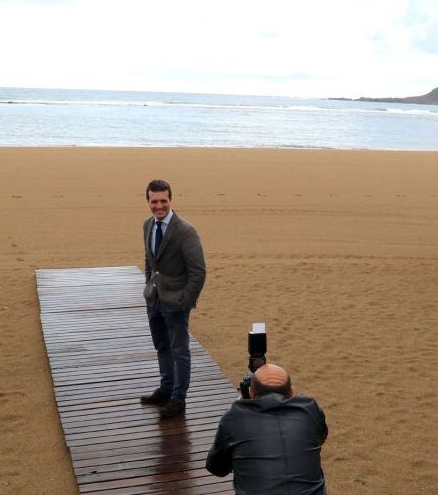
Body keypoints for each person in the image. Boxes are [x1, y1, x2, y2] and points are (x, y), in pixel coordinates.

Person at [139, 179, 206, 419]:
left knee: (179, 350)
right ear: (148, 201)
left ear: (171, 200)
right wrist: (149, 285)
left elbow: (198, 272)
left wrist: (185, 302)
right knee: (161, 346)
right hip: (154, 299)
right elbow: (149, 259)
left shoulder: (185, 231)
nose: (159, 206)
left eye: (163, 201)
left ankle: (178, 398)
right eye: (154, 201)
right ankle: (166, 388)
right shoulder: (148, 225)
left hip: (176, 302)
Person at [206, 364, 329, 495]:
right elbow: (321, 437)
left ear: (251, 393)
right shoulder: (309, 409)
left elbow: (216, 468)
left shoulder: (234, 417)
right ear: (292, 391)